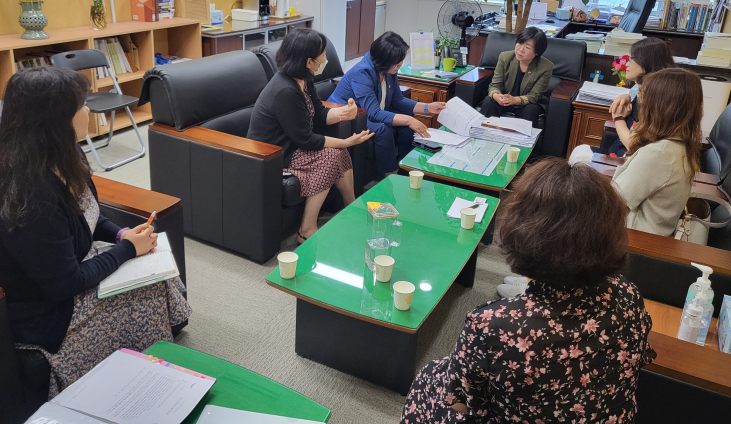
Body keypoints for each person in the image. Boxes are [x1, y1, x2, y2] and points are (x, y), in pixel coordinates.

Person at [0, 67, 190, 398]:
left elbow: (89, 215)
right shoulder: (32, 196)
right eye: (81, 105)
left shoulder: (64, 155)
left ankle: (150, 362)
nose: (88, 111)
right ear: (56, 120)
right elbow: (65, 284)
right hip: (43, 311)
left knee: (156, 268)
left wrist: (120, 236)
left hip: (63, 273)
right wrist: (128, 251)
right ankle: (135, 384)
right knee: (145, 290)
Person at [402, 158, 655, 424]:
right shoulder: (629, 296)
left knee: (430, 377)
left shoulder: (491, 325)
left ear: (523, 233)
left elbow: (466, 405)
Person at [247, 29, 372, 243]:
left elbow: (321, 114)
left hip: (294, 144)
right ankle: (306, 229)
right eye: (322, 55)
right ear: (308, 61)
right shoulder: (285, 90)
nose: (326, 59)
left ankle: (352, 208)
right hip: (275, 154)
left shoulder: (304, 80)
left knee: (338, 153)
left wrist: (345, 113)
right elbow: (306, 139)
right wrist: (345, 141)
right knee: (331, 155)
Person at [329, 31, 446, 175]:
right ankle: (390, 175)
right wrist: (408, 119)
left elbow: (398, 100)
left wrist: (428, 108)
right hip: (349, 117)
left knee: (407, 124)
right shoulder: (362, 73)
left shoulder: (389, 69)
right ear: (383, 60)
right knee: (383, 129)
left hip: (369, 111)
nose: (400, 64)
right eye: (397, 62)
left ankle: (407, 168)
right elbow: (373, 113)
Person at [611, 68, 703, 236]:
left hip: (631, 238)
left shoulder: (659, 154)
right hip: (650, 233)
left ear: (659, 106)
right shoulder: (680, 143)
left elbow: (613, 201)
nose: (641, 103)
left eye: (644, 98)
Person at [569, 37, 675, 165]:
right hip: (622, 153)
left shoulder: (656, 99)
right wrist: (627, 96)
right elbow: (634, 93)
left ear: (647, 62)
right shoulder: (643, 89)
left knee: (579, 157)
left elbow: (634, 145)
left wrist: (618, 119)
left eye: (632, 59)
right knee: (579, 151)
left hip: (630, 161)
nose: (627, 63)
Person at [477, 26, 553, 124]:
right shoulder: (505, 57)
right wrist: (497, 96)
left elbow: (535, 96)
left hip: (527, 103)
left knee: (530, 110)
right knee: (489, 101)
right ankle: (487, 134)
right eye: (520, 43)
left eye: (527, 47)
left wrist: (514, 100)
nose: (521, 49)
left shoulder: (546, 67)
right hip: (504, 99)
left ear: (537, 52)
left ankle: (520, 139)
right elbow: (495, 85)